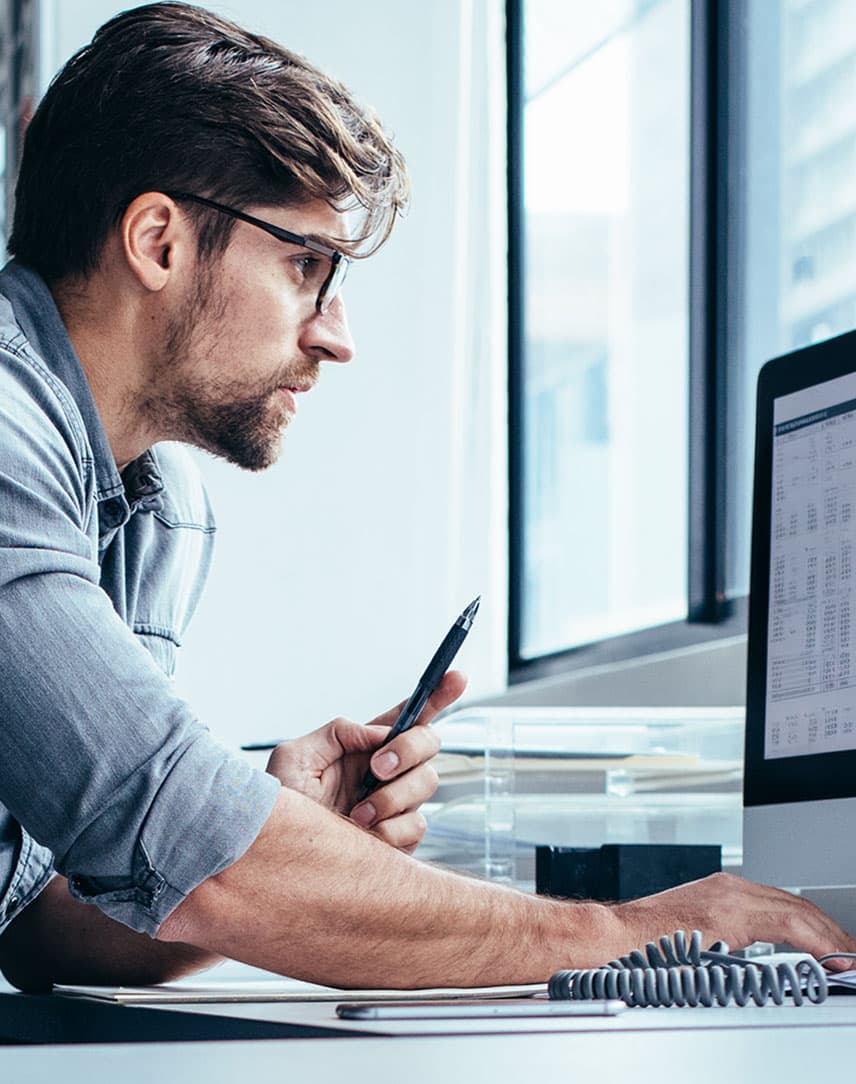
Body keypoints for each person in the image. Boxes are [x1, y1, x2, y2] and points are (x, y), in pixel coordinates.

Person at [0, 2, 852, 995]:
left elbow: (40, 922)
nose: (336, 335)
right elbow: (202, 856)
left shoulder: (157, 510)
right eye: (306, 264)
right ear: (158, 241)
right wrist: (634, 931)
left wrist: (295, 836)